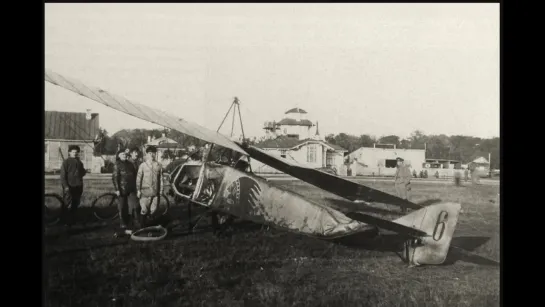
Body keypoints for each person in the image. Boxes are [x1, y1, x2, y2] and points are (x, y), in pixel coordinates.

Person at [136, 146, 164, 227]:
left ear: (156, 154)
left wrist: (161, 190)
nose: (152, 155)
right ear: (147, 154)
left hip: (155, 192)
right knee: (144, 210)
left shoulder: (159, 165)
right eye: (149, 153)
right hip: (145, 192)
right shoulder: (143, 165)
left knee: (153, 210)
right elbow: (138, 178)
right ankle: (142, 227)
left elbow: (161, 178)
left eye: (153, 153)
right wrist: (138, 190)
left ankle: (150, 226)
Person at [60, 145, 87, 227]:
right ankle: (64, 221)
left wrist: (82, 172)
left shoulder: (79, 162)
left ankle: (72, 220)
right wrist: (66, 186)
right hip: (69, 186)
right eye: (73, 152)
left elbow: (82, 172)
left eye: (76, 152)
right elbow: (63, 176)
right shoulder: (66, 162)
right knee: (67, 204)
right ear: (69, 153)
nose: (75, 154)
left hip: (78, 186)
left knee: (76, 203)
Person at [112, 150, 138, 230]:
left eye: (125, 154)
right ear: (119, 156)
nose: (124, 155)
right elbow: (115, 177)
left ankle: (132, 221)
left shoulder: (130, 164)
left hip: (132, 188)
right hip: (122, 189)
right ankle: (123, 222)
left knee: (134, 206)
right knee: (122, 206)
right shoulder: (117, 164)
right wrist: (117, 189)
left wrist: (136, 187)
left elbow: (135, 175)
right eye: (122, 154)